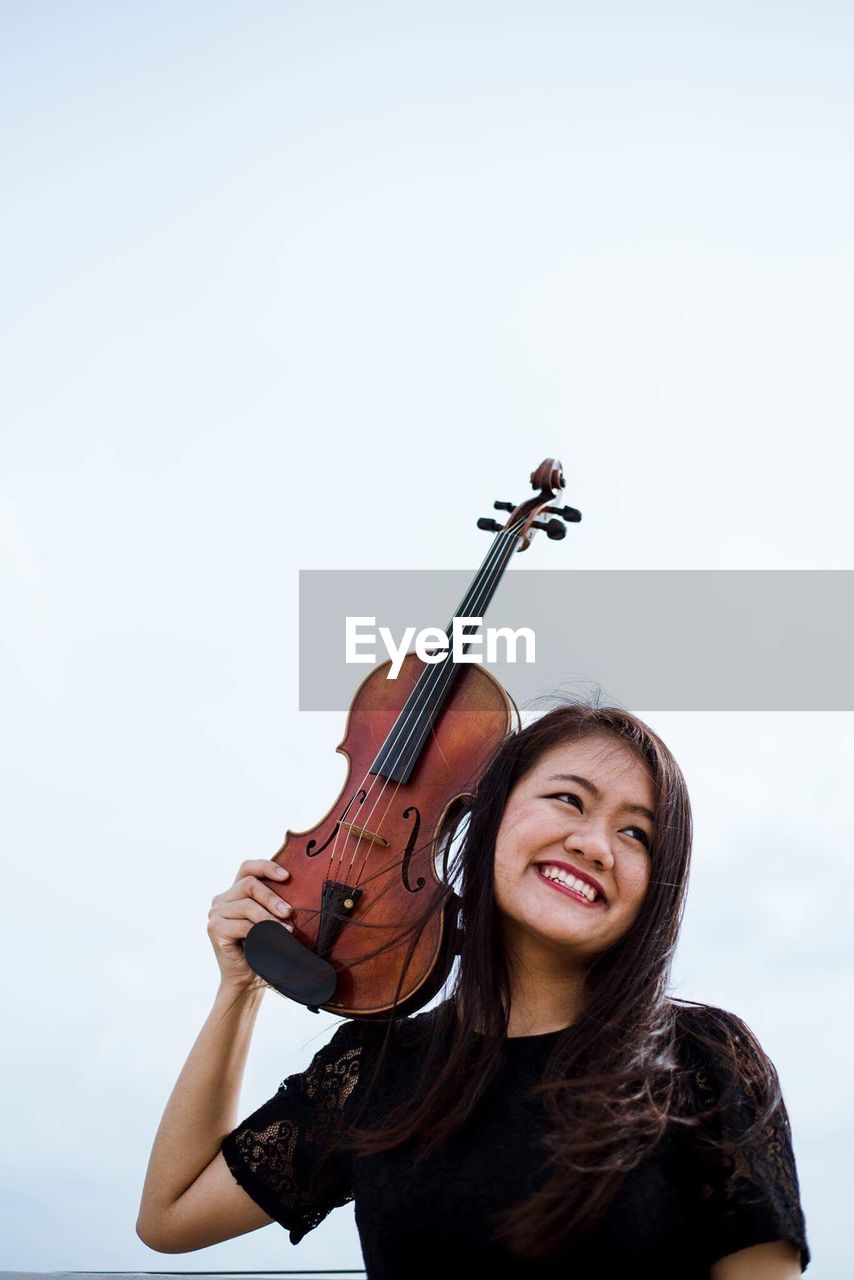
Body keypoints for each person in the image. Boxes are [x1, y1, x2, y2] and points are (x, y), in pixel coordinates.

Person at [136, 705, 810, 1278]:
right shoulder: (375, 1069)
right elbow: (171, 1216)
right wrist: (240, 989)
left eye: (637, 834)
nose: (596, 844)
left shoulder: (702, 1059)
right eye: (568, 799)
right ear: (487, 821)